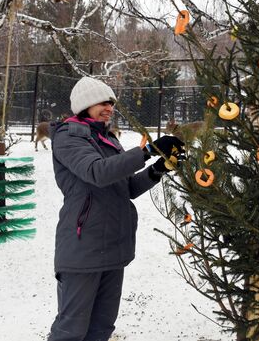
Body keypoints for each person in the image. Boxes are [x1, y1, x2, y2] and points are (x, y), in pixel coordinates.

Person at [48, 76, 184, 341]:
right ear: (84, 105)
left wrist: (158, 169)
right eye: (102, 102)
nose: (109, 107)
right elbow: (96, 172)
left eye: (111, 102)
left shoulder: (107, 138)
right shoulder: (68, 135)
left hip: (113, 247)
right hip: (83, 247)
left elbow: (126, 188)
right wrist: (146, 152)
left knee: (102, 328)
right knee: (71, 330)